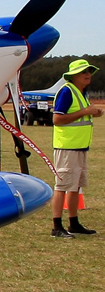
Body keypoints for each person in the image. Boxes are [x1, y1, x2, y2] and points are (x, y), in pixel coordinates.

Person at [49, 59, 102, 237]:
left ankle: (74, 223)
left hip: (79, 147)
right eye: (83, 72)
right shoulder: (66, 92)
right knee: (62, 185)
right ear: (73, 76)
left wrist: (93, 112)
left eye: (88, 71)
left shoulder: (81, 92)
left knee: (75, 187)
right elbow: (57, 119)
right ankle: (57, 226)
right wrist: (86, 112)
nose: (88, 74)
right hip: (67, 147)